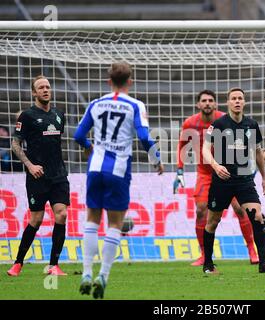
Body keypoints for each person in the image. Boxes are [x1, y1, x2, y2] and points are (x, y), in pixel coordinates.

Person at [74, 62, 163, 299]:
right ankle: (102, 275)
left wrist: (89, 147)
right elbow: (144, 137)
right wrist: (157, 160)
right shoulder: (135, 105)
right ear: (130, 81)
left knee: (92, 220)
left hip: (95, 168)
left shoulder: (95, 104)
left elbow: (78, 135)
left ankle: (85, 273)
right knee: (115, 224)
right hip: (119, 169)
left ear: (108, 80)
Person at [173, 90, 259, 266]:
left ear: (216, 104)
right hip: (206, 173)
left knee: (241, 209)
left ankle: (252, 249)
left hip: (229, 171)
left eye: (210, 100)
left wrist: (251, 167)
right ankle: (204, 254)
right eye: (203, 101)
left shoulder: (224, 120)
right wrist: (179, 171)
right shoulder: (190, 123)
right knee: (200, 211)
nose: (207, 103)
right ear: (198, 105)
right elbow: (181, 146)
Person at [202, 87, 265, 274]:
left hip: (244, 180)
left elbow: (258, 152)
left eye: (240, 98)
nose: (237, 101)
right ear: (228, 102)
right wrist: (216, 166)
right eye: (233, 98)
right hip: (222, 181)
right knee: (213, 221)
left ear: (244, 102)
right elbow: (205, 149)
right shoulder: (218, 124)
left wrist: (264, 178)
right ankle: (208, 264)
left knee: (258, 217)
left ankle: (263, 262)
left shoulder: (251, 125)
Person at [7, 75, 69, 276]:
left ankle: (54, 265)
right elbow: (15, 144)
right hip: (37, 176)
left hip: (58, 174)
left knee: (62, 214)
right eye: (41, 87)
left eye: (47, 87)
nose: (45, 90)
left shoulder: (59, 115)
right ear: (34, 93)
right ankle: (18, 263)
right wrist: (30, 165)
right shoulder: (26, 116)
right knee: (36, 219)